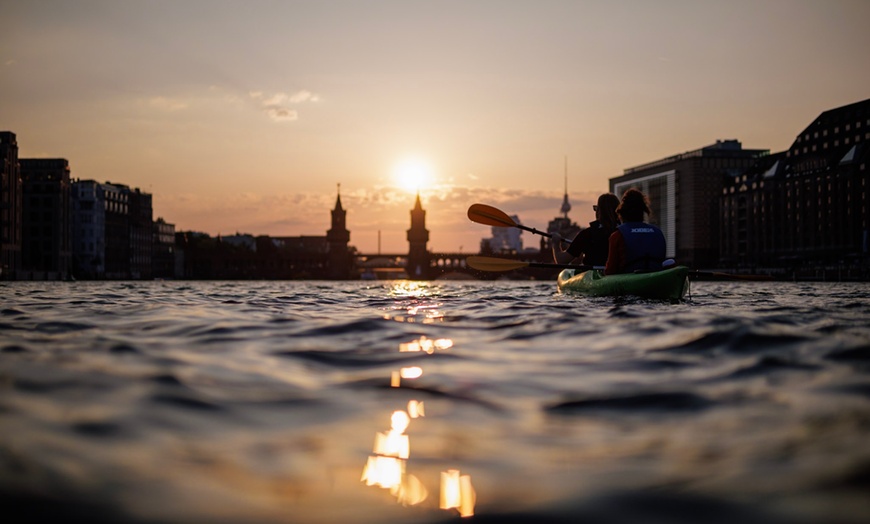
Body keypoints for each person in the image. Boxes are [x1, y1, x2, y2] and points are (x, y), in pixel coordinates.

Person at [605, 188, 667, 274]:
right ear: (642, 212)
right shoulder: (657, 232)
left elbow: (610, 271)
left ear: (622, 213)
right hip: (656, 276)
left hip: (627, 278)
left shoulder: (617, 235)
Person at [552, 193, 620, 267]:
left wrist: (556, 243)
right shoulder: (624, 231)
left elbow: (562, 260)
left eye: (596, 209)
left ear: (599, 211)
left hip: (594, 272)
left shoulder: (587, 234)